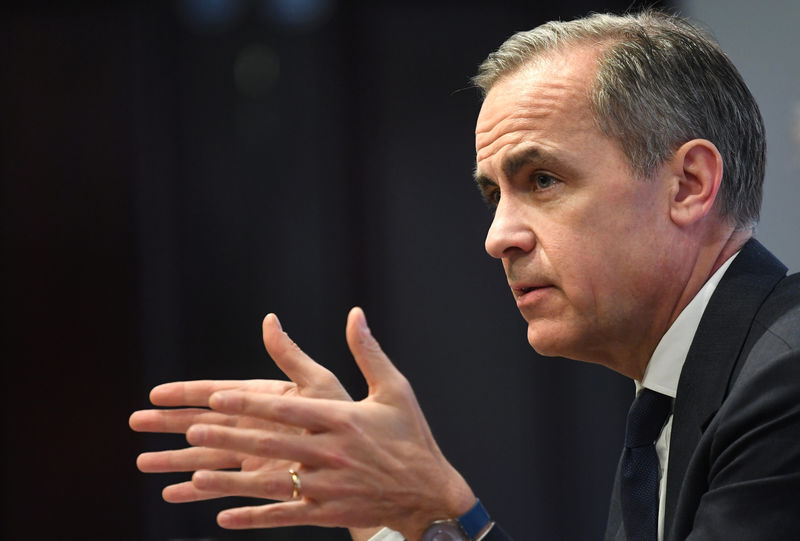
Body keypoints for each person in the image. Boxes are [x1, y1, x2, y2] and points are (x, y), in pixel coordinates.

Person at [130, 10, 800, 541]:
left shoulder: (784, 382)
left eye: (543, 179)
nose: (496, 236)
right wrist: (386, 512)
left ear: (688, 184)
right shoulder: (681, 392)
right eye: (493, 195)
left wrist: (441, 510)